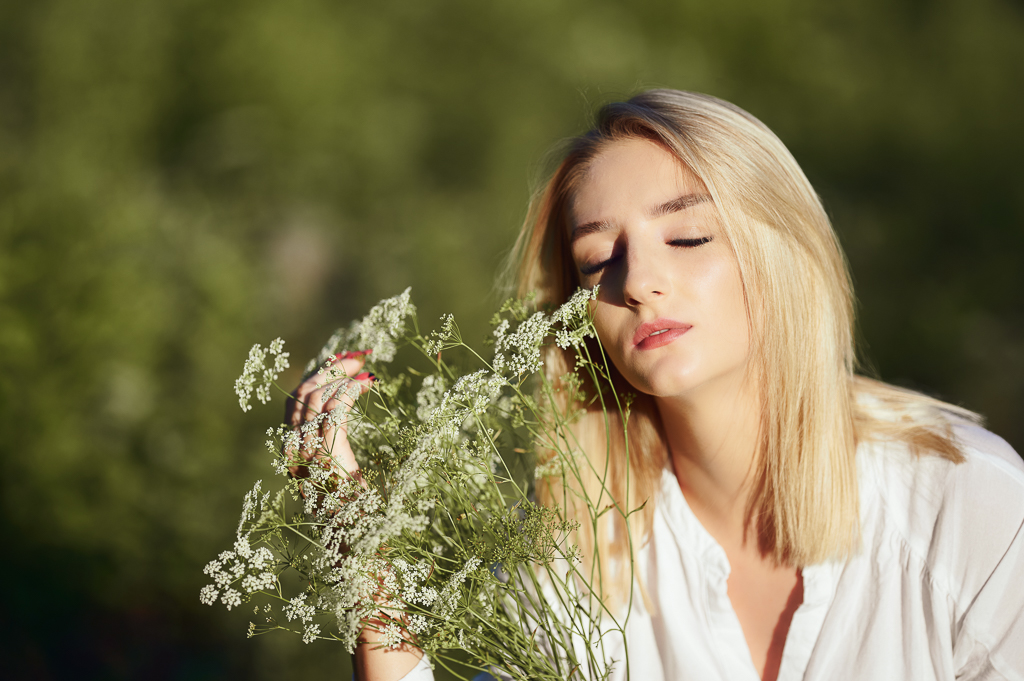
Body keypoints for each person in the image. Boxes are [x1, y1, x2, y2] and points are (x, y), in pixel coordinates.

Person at [288, 90, 1024, 681]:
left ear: (784, 252)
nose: (637, 281)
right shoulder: (573, 556)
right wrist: (365, 561)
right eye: (597, 257)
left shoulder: (966, 506)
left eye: (688, 237)